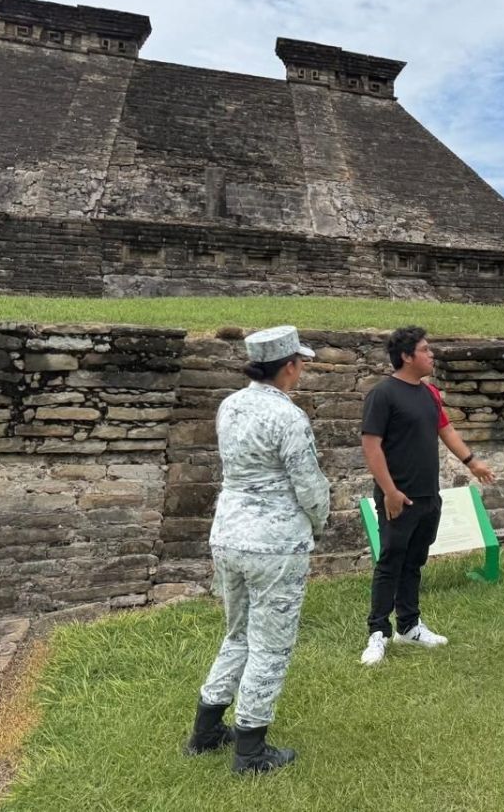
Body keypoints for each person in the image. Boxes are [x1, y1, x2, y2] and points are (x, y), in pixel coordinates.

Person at [185, 325, 331, 774]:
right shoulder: (288, 417)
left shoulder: (230, 406)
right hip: (274, 542)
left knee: (237, 634)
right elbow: (307, 483)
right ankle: (250, 750)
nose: (303, 369)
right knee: (270, 645)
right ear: (289, 365)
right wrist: (320, 518)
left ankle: (206, 731)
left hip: (229, 533)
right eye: (300, 362)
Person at [359, 325, 496, 666]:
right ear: (406, 356)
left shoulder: (429, 393)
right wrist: (389, 491)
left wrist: (471, 462)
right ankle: (378, 632)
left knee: (414, 563)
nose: (431, 354)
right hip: (397, 496)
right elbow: (371, 446)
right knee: (390, 562)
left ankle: (409, 625)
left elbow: (445, 429)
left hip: (427, 495)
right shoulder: (383, 395)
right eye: (424, 349)